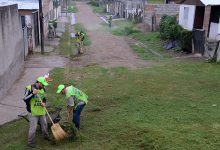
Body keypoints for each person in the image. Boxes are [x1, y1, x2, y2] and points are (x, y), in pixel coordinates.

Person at [23, 77, 50, 148]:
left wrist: (44, 103)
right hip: (33, 112)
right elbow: (25, 99)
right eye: (43, 84)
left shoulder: (43, 89)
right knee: (33, 128)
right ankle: (30, 142)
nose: (44, 86)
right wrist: (32, 93)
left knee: (44, 125)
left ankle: (46, 136)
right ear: (38, 83)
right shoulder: (29, 88)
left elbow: (44, 98)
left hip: (41, 110)